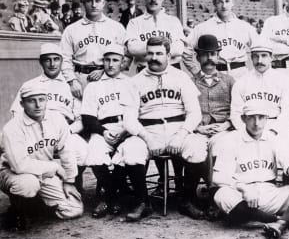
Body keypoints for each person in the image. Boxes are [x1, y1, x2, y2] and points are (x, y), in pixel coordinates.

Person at [117, 37, 208, 221]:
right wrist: (147, 138)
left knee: (197, 148)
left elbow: (195, 113)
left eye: (159, 53)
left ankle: (186, 199)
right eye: (150, 53)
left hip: (178, 128)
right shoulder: (135, 81)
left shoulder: (181, 77)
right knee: (131, 149)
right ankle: (143, 202)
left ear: (168, 55)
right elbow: (128, 119)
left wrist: (182, 135)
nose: (154, 57)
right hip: (148, 131)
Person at [211, 100, 289, 239]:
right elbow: (219, 177)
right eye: (251, 117)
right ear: (243, 118)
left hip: (270, 193)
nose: (257, 123)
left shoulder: (274, 138)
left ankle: (276, 222)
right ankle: (284, 220)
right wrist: (244, 189)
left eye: (261, 117)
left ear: (267, 119)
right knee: (222, 195)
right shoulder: (231, 139)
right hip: (243, 197)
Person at [0, 82, 83, 230]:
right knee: (28, 184)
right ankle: (17, 210)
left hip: (44, 173)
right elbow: (19, 166)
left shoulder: (56, 119)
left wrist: (69, 181)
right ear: (22, 103)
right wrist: (54, 166)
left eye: (42, 99)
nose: (38, 105)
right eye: (31, 101)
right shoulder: (12, 128)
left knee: (73, 209)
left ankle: (35, 205)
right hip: (12, 172)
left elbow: (67, 151)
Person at [10, 43, 88, 178]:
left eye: (56, 59)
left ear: (62, 61)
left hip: (66, 130)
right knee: (20, 155)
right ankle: (37, 190)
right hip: (35, 131)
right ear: (41, 62)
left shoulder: (72, 85)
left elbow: (81, 118)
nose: (52, 64)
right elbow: (16, 113)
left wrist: (68, 131)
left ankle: (73, 181)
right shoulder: (30, 84)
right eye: (47, 59)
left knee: (83, 152)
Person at [81, 44, 133, 218]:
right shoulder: (93, 86)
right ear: (102, 61)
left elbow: (137, 112)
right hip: (103, 128)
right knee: (94, 152)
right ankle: (115, 195)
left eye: (115, 60)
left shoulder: (130, 83)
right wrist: (103, 132)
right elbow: (88, 118)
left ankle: (109, 197)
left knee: (129, 152)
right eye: (107, 60)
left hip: (127, 127)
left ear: (123, 62)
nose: (111, 64)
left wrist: (125, 131)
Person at [230, 39, 289, 156]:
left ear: (271, 57)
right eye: (255, 56)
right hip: (249, 127)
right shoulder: (241, 82)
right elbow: (235, 113)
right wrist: (246, 132)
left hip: (276, 125)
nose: (259, 61)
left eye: (264, 56)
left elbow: (288, 112)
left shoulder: (284, 80)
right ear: (251, 58)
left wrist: (274, 131)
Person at [60, 0, 126, 99]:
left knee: (108, 114)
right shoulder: (72, 29)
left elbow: (125, 58)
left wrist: (104, 70)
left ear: (103, 3)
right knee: (81, 115)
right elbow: (64, 58)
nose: (94, 5)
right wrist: (72, 81)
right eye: (89, 1)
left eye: (97, 1)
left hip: (108, 78)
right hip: (80, 79)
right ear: (83, 3)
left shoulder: (116, 27)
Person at [184, 0, 258, 80]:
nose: (224, 6)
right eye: (220, 2)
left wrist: (254, 74)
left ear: (232, 3)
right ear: (214, 4)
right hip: (215, 73)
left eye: (227, 1)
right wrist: (196, 72)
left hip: (240, 73)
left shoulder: (244, 26)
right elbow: (186, 51)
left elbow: (260, 48)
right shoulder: (203, 27)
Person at [192, 34, 235, 189]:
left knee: (220, 146)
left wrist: (226, 124)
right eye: (204, 54)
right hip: (199, 130)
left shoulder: (230, 81)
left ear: (218, 56)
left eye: (212, 54)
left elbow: (237, 109)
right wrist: (197, 128)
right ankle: (209, 192)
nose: (209, 58)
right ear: (197, 57)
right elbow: (185, 111)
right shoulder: (189, 82)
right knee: (195, 148)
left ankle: (219, 189)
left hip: (223, 129)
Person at [125, 0, 185, 72]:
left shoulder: (174, 21)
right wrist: (164, 49)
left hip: (172, 69)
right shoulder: (134, 23)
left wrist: (148, 50)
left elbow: (179, 49)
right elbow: (132, 48)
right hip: (144, 70)